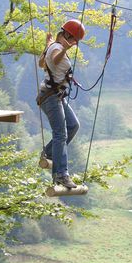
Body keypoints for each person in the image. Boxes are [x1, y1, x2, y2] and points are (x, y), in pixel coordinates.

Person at [37, 19, 85, 189]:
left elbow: (41, 63)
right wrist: (64, 48)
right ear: (67, 35)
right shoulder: (58, 48)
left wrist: (48, 43)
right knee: (61, 134)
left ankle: (49, 152)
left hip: (56, 95)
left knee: (73, 125)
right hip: (51, 97)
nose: (75, 43)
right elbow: (55, 60)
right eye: (74, 40)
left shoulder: (53, 45)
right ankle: (60, 175)